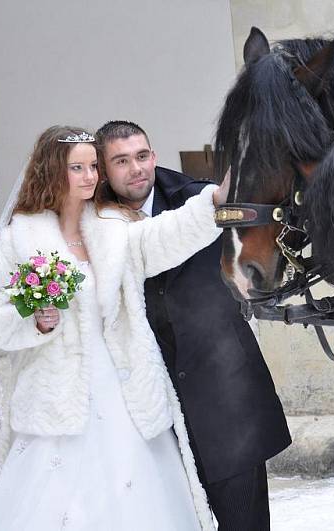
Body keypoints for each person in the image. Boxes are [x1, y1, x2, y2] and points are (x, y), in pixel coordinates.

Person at [0, 125, 228, 530]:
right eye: (78, 168)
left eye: (93, 166)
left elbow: (163, 237)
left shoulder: (113, 226)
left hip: (125, 391)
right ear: (53, 171)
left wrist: (212, 202)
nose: (91, 176)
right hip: (56, 398)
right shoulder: (19, 238)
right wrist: (36, 322)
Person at [95, 121, 291, 531]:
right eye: (122, 161)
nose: (137, 169)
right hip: (153, 415)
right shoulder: (94, 223)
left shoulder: (199, 199)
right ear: (103, 168)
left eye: (143, 156)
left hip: (226, 400)